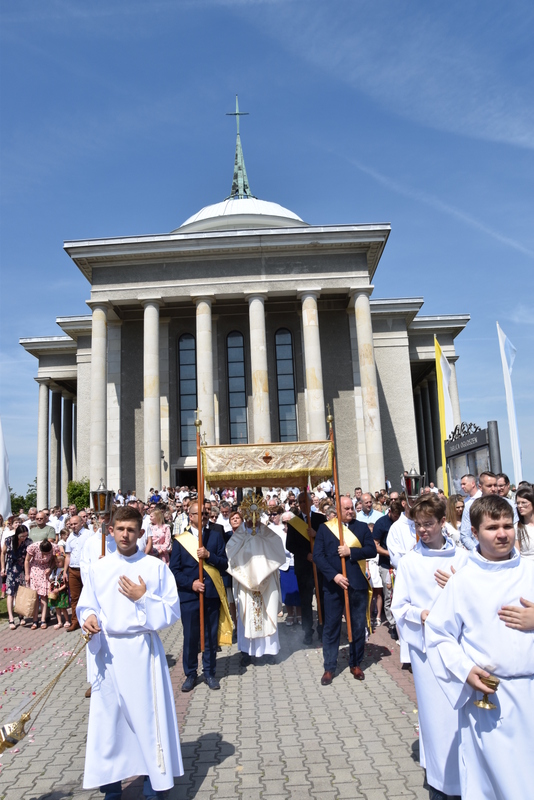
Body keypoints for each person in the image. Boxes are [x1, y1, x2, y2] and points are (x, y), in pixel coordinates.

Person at [425, 495, 534, 800]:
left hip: (532, 693)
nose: (503, 533)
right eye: (493, 527)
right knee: (496, 785)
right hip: (491, 700)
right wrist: (465, 670)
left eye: (508, 525)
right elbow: (437, 634)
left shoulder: (531, 571)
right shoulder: (464, 581)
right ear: (474, 532)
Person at [77, 505, 183, 798]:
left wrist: (143, 597)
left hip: (141, 652)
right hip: (108, 654)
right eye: (120, 529)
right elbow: (87, 604)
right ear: (111, 531)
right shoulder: (99, 567)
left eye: (131, 530)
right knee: (109, 723)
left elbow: (172, 611)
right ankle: (111, 789)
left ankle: (153, 788)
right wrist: (89, 618)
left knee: (147, 721)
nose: (125, 535)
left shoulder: (154, 567)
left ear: (140, 533)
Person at [392, 494, 468, 800]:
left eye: (428, 524)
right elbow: (399, 608)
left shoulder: (461, 558)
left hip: (459, 649)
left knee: (461, 715)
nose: (423, 530)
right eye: (418, 525)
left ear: (442, 523)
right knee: (436, 718)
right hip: (426, 650)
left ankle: (465, 774)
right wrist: (420, 614)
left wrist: (455, 588)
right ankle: (440, 781)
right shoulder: (410, 562)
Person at [313, 496, 376, 685]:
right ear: (338, 509)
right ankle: (329, 667)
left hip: (356, 584)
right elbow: (318, 556)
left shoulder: (361, 528)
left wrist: (352, 552)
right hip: (333, 586)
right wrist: (335, 576)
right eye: (346, 509)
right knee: (331, 627)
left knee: (357, 625)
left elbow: (371, 550)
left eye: (352, 508)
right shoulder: (326, 529)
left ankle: (355, 663)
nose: (350, 511)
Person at [170, 501, 230, 692]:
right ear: (191, 516)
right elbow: (174, 570)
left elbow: (224, 563)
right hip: (190, 595)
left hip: (211, 594)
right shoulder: (180, 540)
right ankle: (190, 673)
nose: (204, 516)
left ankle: (210, 672)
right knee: (191, 636)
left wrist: (209, 555)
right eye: (200, 513)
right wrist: (191, 584)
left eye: (206, 513)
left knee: (210, 636)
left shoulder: (215, 536)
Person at [226, 507, 286, 665]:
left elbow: (277, 548)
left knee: (268, 614)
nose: (252, 520)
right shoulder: (239, 534)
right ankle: (246, 652)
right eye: (249, 516)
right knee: (246, 614)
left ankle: (269, 652)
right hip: (245, 583)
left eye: (256, 516)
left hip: (266, 582)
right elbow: (230, 552)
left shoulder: (267, 533)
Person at [371, 500, 402, 634]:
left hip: (401, 564)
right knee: (388, 595)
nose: (397, 519)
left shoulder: (401, 523)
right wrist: (389, 553)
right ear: (390, 512)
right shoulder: (381, 523)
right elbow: (375, 545)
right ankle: (392, 623)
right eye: (395, 516)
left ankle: (400, 621)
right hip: (386, 564)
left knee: (400, 594)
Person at [269, 506, 301, 626]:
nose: (287, 524)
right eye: (284, 522)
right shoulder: (279, 533)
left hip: (296, 564)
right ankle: (290, 614)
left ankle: (299, 614)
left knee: (298, 591)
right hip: (284, 566)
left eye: (289, 522)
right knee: (287, 592)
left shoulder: (298, 532)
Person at [64, 515, 92, 631]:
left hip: (85, 569)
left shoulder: (89, 535)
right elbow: (68, 555)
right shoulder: (70, 537)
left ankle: (88, 619)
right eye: (71, 524)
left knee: (88, 595)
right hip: (73, 569)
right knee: (74, 597)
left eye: (75, 524)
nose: (73, 526)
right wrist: (65, 571)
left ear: (82, 523)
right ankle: (75, 621)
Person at [2, 524, 32, 629]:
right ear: (17, 534)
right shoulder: (8, 540)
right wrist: (2, 567)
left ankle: (21, 615)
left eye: (25, 536)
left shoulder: (28, 542)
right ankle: (11, 618)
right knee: (10, 593)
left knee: (20, 593)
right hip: (11, 569)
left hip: (22, 569)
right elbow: (3, 553)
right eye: (22, 536)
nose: (24, 538)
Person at [460, 472, 498, 550]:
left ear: (473, 483)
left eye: (495, 485)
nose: (493, 489)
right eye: (489, 486)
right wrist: (479, 551)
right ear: (480, 487)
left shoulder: (507, 504)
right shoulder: (469, 505)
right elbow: (465, 535)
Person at [25, 538, 57, 629]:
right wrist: (27, 574)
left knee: (44, 596)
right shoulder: (34, 547)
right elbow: (27, 560)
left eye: (48, 554)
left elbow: (55, 560)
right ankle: (35, 620)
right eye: (44, 553)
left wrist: (50, 568)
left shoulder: (54, 547)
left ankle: (43, 619)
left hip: (45, 571)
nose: (45, 556)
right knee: (34, 597)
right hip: (35, 569)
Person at [48, 549, 69, 628]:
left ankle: (67, 620)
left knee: (63, 607)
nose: (57, 564)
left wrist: (59, 590)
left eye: (58, 562)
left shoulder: (64, 571)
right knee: (57, 607)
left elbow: (66, 584)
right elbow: (51, 579)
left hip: (61, 591)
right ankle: (59, 622)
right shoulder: (55, 570)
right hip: (55, 590)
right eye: (56, 562)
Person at [515, 486, 534, 559]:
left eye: (524, 503)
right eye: (518, 503)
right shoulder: (516, 527)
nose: (520, 506)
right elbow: (517, 555)